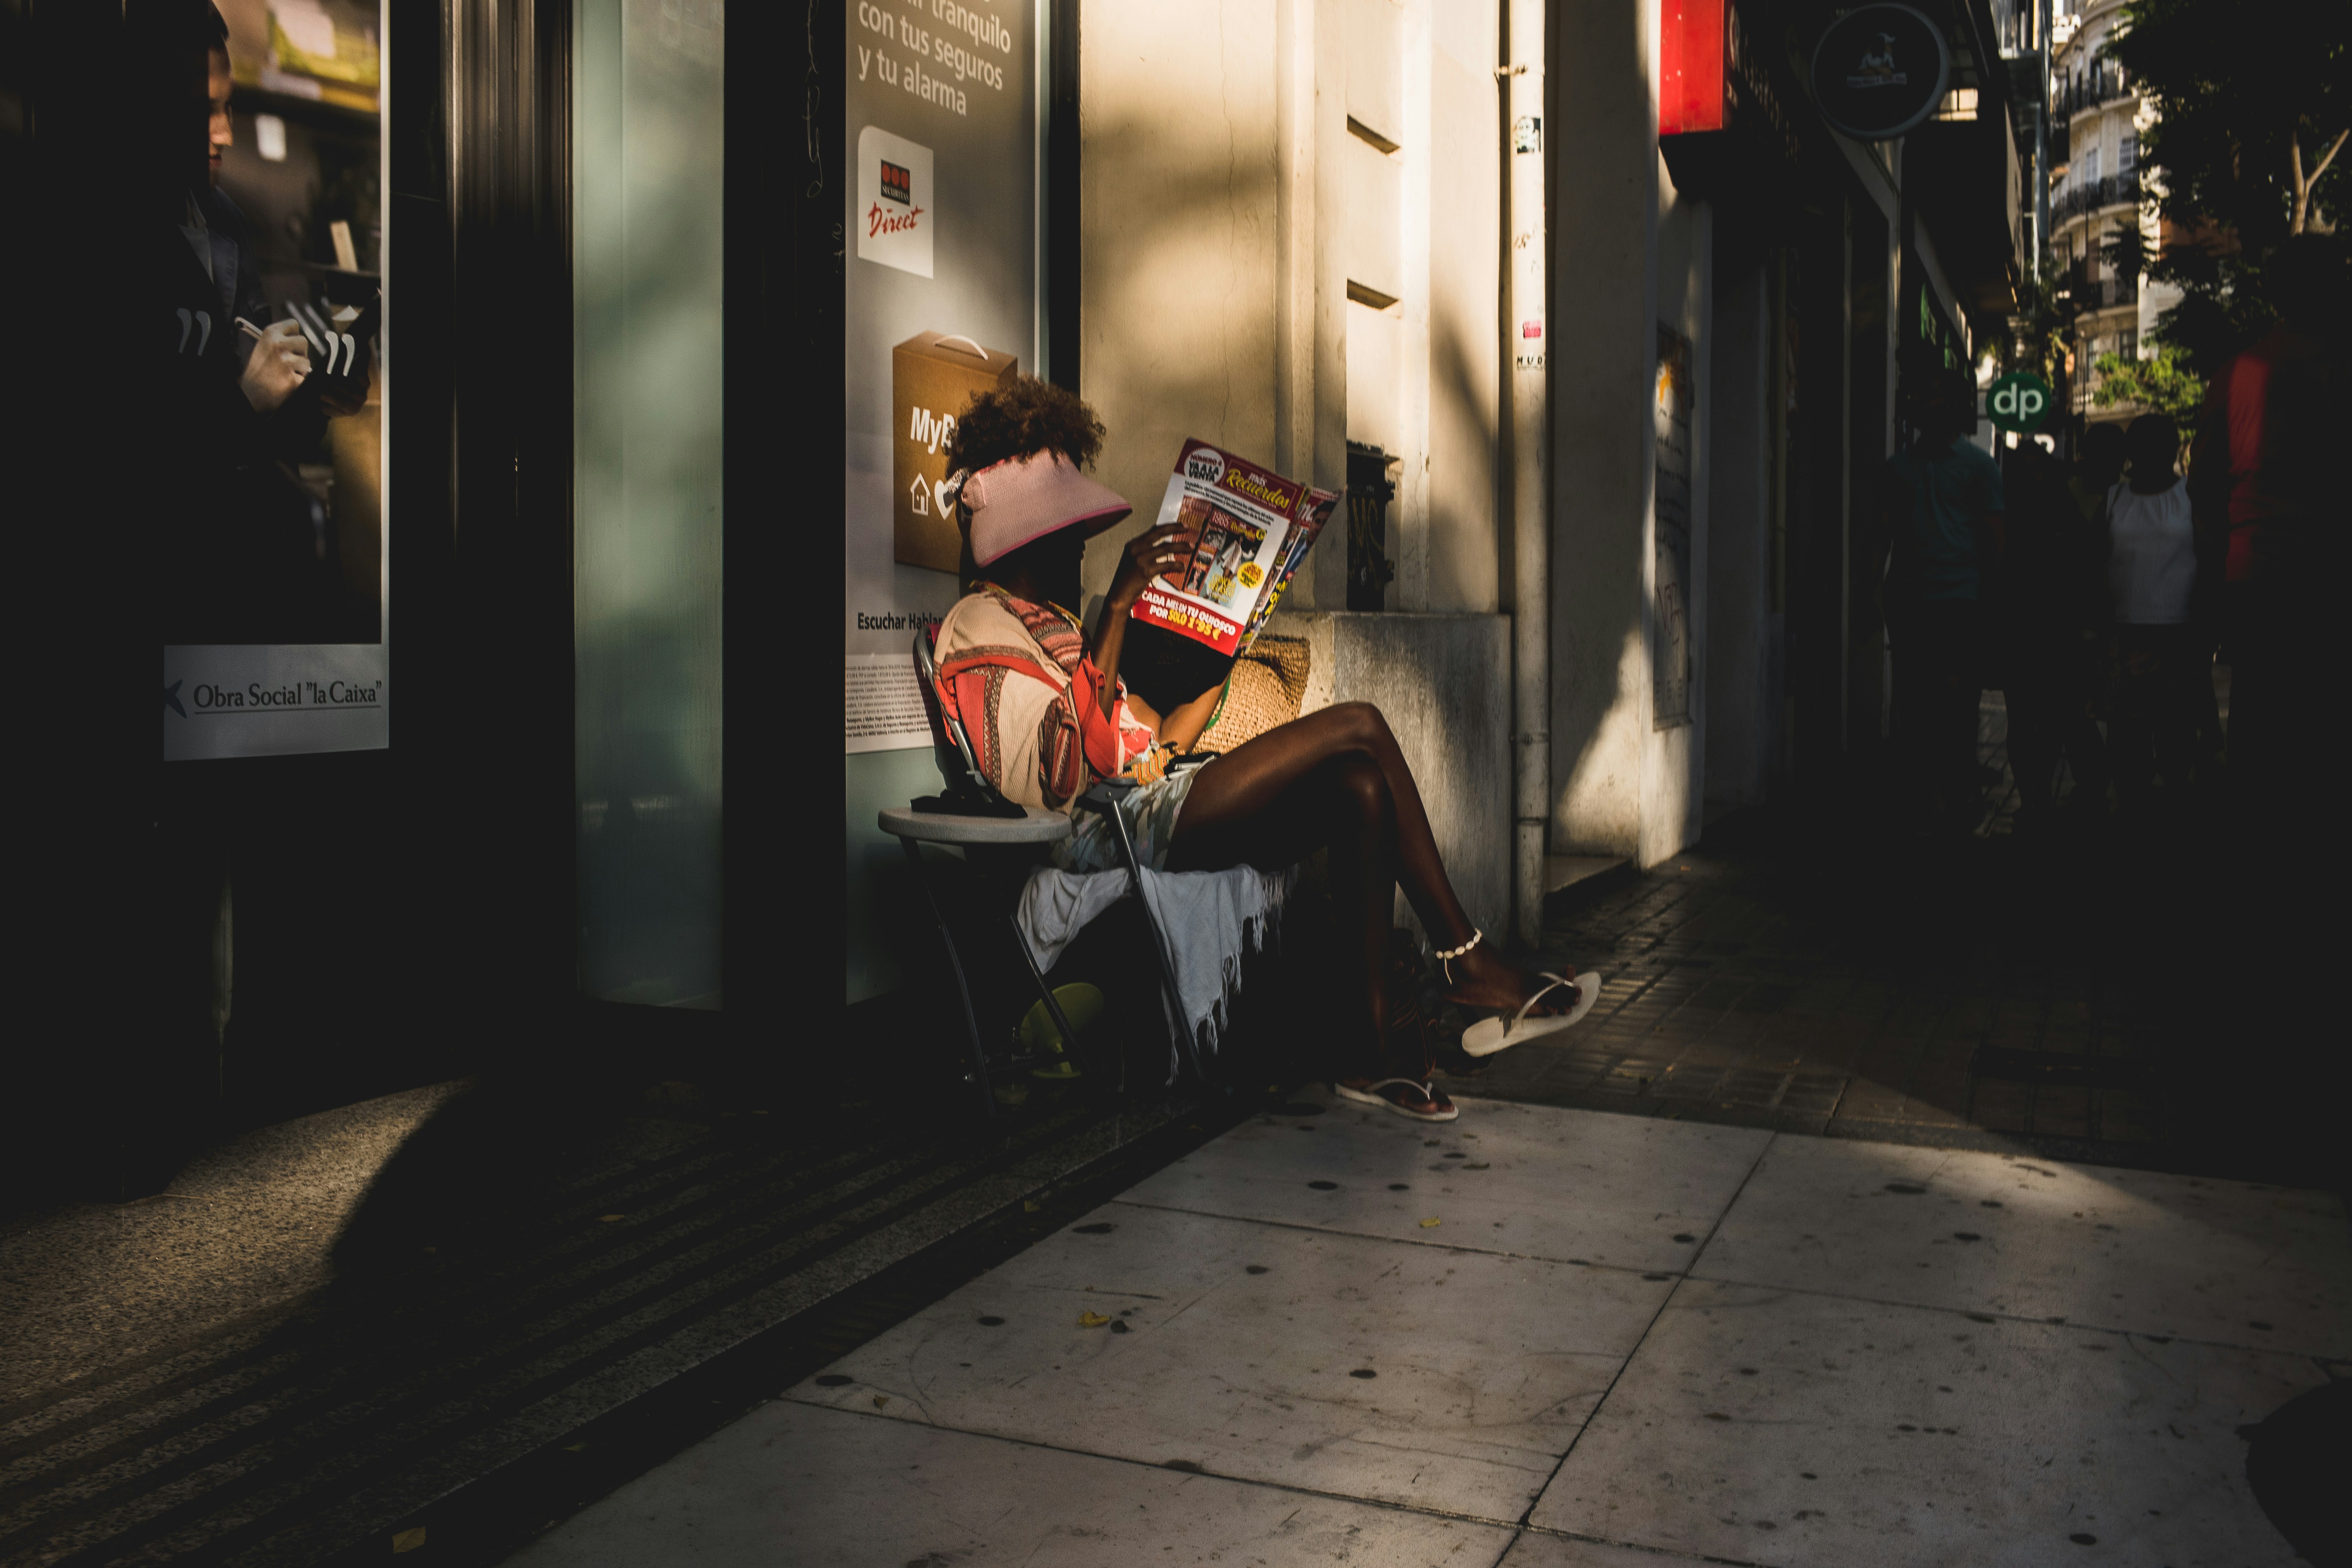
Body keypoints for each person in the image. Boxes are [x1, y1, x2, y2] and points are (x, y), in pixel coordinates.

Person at [927, 379, 1577, 1122]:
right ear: (1027, 533)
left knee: (1359, 784)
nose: (1079, 541)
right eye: (1066, 527)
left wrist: (1228, 633)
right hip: (1101, 834)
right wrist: (1117, 606)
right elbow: (1068, 770)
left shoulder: (1050, 621)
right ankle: (1469, 960)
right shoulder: (979, 627)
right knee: (1360, 722)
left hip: (1154, 800)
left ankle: (1366, 1056)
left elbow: (1157, 737)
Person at [1881, 370, 2006, 831]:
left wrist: (1992, 606)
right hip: (1911, 601)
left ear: (1955, 409)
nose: (1928, 406)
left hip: (1960, 602)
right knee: (1915, 702)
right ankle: (1927, 794)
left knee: (1957, 701)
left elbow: (1996, 541)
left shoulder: (1979, 467)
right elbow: (1884, 534)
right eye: (1922, 397)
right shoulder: (1898, 468)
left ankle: (1958, 788)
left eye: (1937, 397)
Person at [2101, 414, 2204, 817]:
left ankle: (2171, 820)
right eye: (2145, 446)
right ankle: (2136, 816)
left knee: (2175, 738)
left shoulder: (2191, 498)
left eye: (2164, 445)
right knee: (2128, 742)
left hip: (2177, 635)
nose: (2156, 454)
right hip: (2125, 634)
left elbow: (2210, 561)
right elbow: (2096, 563)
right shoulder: (2114, 499)